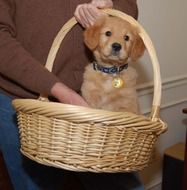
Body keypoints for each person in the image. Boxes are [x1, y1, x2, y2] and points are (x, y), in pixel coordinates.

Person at [0, 0, 144, 189]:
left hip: (92, 97)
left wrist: (112, 7)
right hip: (21, 101)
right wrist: (57, 89)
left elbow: (128, 6)